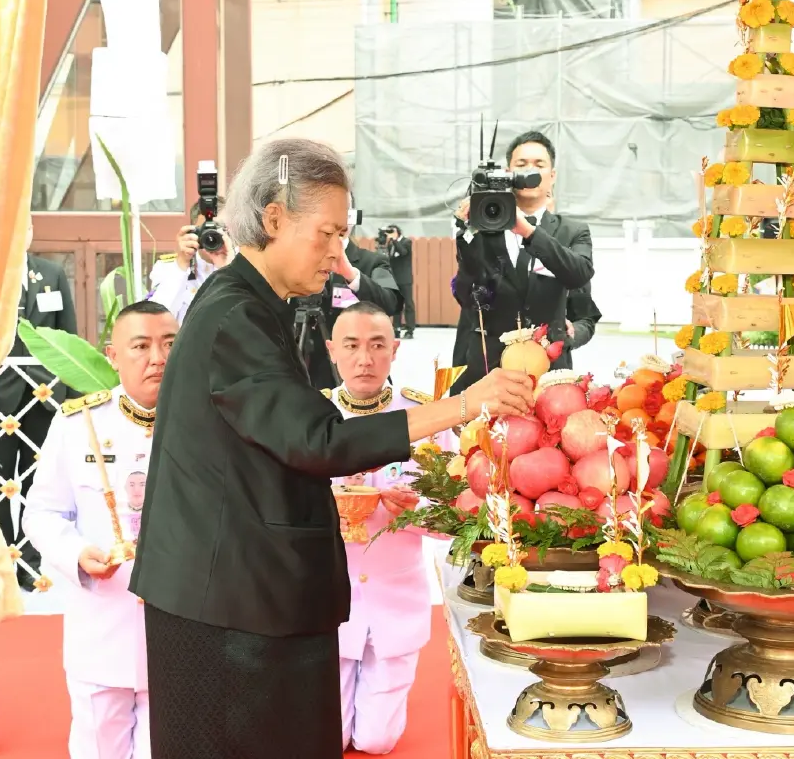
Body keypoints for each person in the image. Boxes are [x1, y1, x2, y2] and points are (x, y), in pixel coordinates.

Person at [128, 137, 534, 759]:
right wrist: (464, 404)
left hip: (239, 589)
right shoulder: (236, 315)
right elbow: (317, 439)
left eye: (343, 234)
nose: (336, 252)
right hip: (233, 605)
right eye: (326, 233)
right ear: (273, 219)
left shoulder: (247, 303)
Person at [23, 300, 178, 759]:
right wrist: (77, 553)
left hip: (179, 632)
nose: (157, 358)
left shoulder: (207, 423)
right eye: (141, 346)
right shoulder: (78, 424)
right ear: (112, 355)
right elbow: (42, 513)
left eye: (170, 344)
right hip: (103, 626)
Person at [322, 302, 452, 754]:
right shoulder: (310, 418)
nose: (365, 359)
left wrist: (416, 511)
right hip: (326, 606)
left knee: (376, 741)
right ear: (331, 350)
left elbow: (456, 517)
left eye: (377, 345)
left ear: (394, 350)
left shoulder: (426, 420)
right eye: (351, 346)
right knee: (330, 737)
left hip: (394, 605)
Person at [0, 216, 79, 590]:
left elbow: (68, 333)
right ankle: (2, 561)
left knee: (39, 481)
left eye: (26, 227)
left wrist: (73, 395)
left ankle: (30, 562)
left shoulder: (51, 273)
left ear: (32, 233)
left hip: (45, 395)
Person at [449, 130, 594, 395]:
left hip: (548, 375)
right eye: (521, 164)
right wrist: (465, 236)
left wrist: (527, 231)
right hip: (485, 372)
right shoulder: (481, 228)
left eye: (539, 164)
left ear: (552, 175)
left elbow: (580, 279)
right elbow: (467, 297)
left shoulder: (573, 231)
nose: (529, 171)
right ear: (507, 173)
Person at [302, 212, 402, 391]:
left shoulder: (373, 261)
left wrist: (351, 275)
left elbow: (391, 302)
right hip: (305, 367)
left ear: (351, 217)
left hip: (360, 374)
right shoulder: (299, 260)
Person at [148, 200, 232, 323]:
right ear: (193, 232)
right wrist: (181, 265)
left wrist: (229, 270)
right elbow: (158, 320)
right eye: (207, 229)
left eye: (220, 229)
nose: (212, 236)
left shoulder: (245, 265)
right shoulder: (169, 268)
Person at [381, 225, 415, 339]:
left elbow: (403, 252)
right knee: (396, 304)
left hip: (405, 279)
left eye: (392, 231)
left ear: (398, 232)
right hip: (394, 278)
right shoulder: (391, 244)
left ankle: (410, 329)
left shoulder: (406, 242)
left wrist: (395, 240)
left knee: (408, 304)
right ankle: (396, 328)